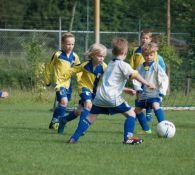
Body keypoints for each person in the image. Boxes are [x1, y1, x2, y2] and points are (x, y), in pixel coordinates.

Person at [68, 38, 155, 145]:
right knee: (131, 114)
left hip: (99, 96)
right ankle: (128, 138)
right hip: (112, 97)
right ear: (125, 53)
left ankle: (73, 138)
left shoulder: (110, 64)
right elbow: (135, 75)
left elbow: (110, 83)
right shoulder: (123, 65)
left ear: (113, 52)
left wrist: (125, 89)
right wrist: (147, 83)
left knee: (90, 117)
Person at [57, 43, 107, 134]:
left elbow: (110, 76)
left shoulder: (104, 67)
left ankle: (63, 120)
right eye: (100, 56)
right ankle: (81, 129)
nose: (102, 58)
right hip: (84, 88)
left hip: (93, 91)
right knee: (88, 104)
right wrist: (61, 79)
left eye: (103, 56)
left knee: (78, 111)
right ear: (92, 55)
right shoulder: (85, 65)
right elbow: (73, 70)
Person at [44, 32, 81, 130]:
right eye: (68, 44)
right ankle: (58, 122)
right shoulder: (57, 54)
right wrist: (47, 80)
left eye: (72, 44)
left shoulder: (75, 56)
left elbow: (79, 69)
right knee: (64, 102)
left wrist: (80, 82)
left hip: (68, 84)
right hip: (59, 84)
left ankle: (54, 121)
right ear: (63, 44)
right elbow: (49, 67)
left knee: (62, 104)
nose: (70, 46)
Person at [129, 29, 166, 122]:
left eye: (146, 38)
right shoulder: (136, 51)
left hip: (152, 83)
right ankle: (143, 124)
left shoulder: (155, 59)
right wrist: (132, 76)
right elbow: (133, 68)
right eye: (143, 38)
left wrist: (162, 89)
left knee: (153, 101)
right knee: (138, 102)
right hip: (141, 81)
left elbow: (163, 75)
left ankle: (157, 119)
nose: (144, 40)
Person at [133, 42, 169, 134]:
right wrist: (138, 88)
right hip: (143, 94)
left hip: (154, 94)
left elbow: (164, 79)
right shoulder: (140, 67)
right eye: (146, 55)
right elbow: (136, 78)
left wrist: (162, 92)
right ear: (143, 55)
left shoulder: (156, 66)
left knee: (155, 105)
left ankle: (164, 128)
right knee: (137, 110)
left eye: (151, 55)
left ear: (154, 55)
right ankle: (146, 130)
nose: (148, 57)